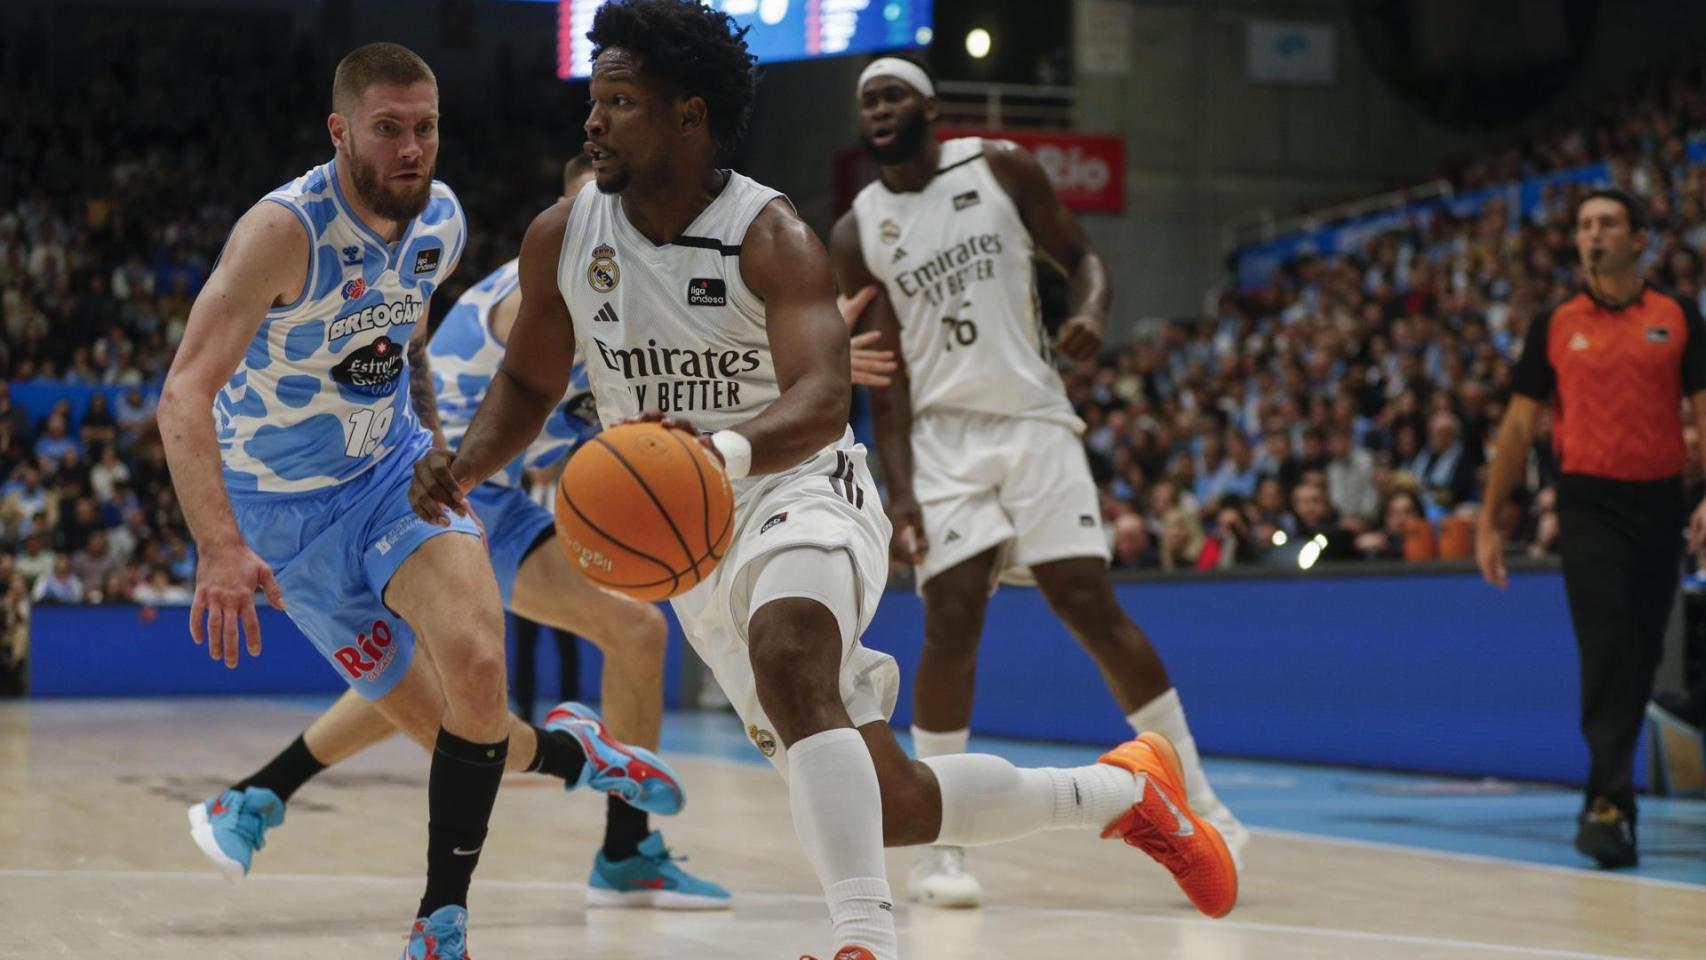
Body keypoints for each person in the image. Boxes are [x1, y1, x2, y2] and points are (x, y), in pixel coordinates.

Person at [410, 4, 1237, 958]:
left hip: (796, 485)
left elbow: (824, 391)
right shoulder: (563, 234)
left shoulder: (771, 233)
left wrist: (716, 455)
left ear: (688, 115)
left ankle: (862, 941)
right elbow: (530, 377)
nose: (592, 121)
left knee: (790, 652)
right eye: (595, 100)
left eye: (619, 102)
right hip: (694, 543)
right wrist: (469, 465)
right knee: (891, 803)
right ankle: (1130, 792)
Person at [158, 43, 678, 959]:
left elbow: (406, 339)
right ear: (341, 131)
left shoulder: (440, 220)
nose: (410, 148)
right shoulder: (283, 233)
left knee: (478, 667)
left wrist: (433, 439)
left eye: (425, 128)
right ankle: (577, 754)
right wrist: (217, 545)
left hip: (394, 474)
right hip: (284, 517)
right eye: (388, 130)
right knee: (464, 736)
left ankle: (441, 922)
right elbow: (182, 394)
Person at [828, 55, 1246, 906]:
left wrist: (1090, 312)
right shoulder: (856, 228)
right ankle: (939, 846)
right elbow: (888, 375)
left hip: (1032, 419)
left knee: (1088, 601)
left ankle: (1201, 801)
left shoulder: (1002, 167)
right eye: (868, 100)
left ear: (930, 106)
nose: (878, 109)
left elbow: (1083, 259)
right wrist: (900, 492)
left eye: (893, 95)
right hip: (942, 439)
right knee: (951, 617)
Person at [1478, 188, 1706, 870]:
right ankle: (1611, 804)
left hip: (1661, 502)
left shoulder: (1677, 315)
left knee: (1637, 653)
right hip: (1587, 505)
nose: (1593, 235)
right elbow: (1520, 426)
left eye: (1607, 223)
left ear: (1639, 238)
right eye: (1583, 226)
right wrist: (1492, 519)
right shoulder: (1554, 322)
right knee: (1606, 644)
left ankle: (1604, 795)